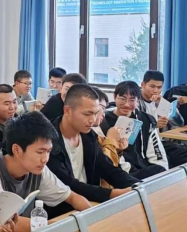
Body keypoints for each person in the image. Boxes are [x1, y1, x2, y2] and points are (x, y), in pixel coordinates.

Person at [47, 85, 139, 217]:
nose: (92, 120)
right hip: (61, 210)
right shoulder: (48, 141)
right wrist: (112, 194)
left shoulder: (89, 136)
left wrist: (137, 185)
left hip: (90, 203)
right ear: (67, 111)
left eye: (96, 113)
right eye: (87, 114)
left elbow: (107, 168)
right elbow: (68, 183)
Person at [0, 111, 92, 228]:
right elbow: (1, 220)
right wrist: (53, 226)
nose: (45, 159)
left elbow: (72, 197)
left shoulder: (37, 169)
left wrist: (92, 218)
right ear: (17, 150)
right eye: (40, 152)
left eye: (48, 151)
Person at [101, 81, 168, 180]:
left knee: (161, 169)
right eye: (122, 99)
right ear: (115, 97)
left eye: (132, 100)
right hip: (120, 172)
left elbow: (156, 150)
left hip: (142, 168)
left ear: (138, 101)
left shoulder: (145, 119)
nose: (127, 104)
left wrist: (163, 170)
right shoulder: (103, 121)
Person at [140, 71, 187, 168]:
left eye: (159, 87)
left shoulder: (159, 101)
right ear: (143, 85)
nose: (155, 91)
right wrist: (154, 124)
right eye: (152, 86)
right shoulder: (135, 103)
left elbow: (179, 123)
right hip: (146, 144)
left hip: (161, 142)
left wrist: (163, 104)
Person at [91, 87, 127, 171]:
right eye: (102, 108)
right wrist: (111, 139)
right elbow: (105, 167)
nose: (104, 114)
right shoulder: (87, 132)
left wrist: (118, 149)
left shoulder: (100, 125)